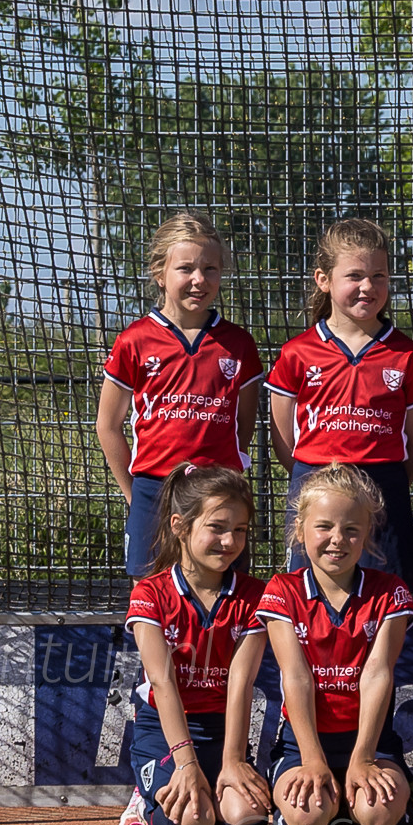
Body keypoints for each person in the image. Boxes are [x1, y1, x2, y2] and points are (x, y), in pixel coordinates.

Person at [96, 211, 265, 577]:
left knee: (225, 591)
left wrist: (225, 473)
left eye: (210, 269)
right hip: (154, 489)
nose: (198, 279)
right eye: (185, 268)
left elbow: (243, 424)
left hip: (219, 491)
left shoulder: (238, 344)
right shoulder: (134, 340)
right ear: (160, 273)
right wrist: (135, 493)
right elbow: (107, 425)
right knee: (150, 591)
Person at [266, 218, 413, 592]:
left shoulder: (407, 354)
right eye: (354, 276)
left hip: (384, 493)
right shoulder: (296, 353)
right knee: (309, 597)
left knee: (387, 597)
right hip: (314, 486)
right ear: (323, 280)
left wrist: (381, 482)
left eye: (378, 276)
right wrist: (319, 481)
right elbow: (284, 441)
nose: (368, 287)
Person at [257, 463, 413, 825]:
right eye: (324, 527)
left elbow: (377, 674)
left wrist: (364, 757)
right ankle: (326, 806)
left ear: (367, 533)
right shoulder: (282, 591)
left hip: (371, 743)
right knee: (308, 821)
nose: (337, 540)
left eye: (351, 530)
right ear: (300, 530)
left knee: (377, 818)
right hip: (303, 744)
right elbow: (296, 677)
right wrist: (312, 760)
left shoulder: (390, 591)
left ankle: (368, 804)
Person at [122, 464, 273, 825]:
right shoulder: (150, 594)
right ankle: (146, 804)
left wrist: (233, 760)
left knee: (247, 818)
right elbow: (163, 683)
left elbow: (241, 683)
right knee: (195, 820)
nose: (229, 541)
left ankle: (217, 786)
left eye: (240, 530)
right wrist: (186, 763)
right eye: (217, 527)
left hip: (222, 731)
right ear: (180, 526)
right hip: (164, 733)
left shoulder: (255, 595)